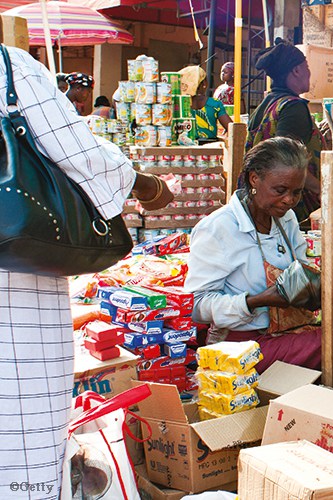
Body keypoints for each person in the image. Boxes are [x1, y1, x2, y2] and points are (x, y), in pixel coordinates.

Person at [0, 46, 172, 499]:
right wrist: (147, 186)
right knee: (21, 440)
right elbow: (81, 153)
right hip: (13, 287)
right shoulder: (9, 66)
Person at [184, 137, 333, 377]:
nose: (289, 200)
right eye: (280, 190)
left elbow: (301, 270)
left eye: (297, 192)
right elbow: (197, 306)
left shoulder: (286, 219)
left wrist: (315, 290)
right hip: (243, 345)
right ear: (254, 179)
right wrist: (258, 300)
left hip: (294, 329)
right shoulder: (217, 228)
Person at [246, 39, 325, 220]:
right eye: (307, 67)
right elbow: (288, 162)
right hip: (291, 210)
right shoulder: (293, 108)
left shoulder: (265, 105)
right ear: (297, 70)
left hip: (262, 202)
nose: (309, 73)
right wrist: (323, 191)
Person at [180, 65, 233, 142]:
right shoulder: (214, 104)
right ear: (204, 84)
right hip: (209, 148)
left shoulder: (180, 104)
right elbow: (231, 127)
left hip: (184, 146)